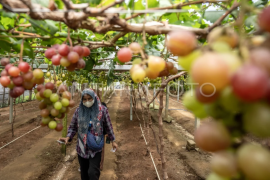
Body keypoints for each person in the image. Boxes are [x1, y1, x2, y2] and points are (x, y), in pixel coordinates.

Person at [59, 88, 117, 180]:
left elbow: (108, 126)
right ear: (82, 100)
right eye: (84, 99)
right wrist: (68, 137)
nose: (87, 101)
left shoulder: (102, 110)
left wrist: (113, 140)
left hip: (96, 148)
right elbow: (73, 127)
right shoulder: (79, 111)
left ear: (94, 98)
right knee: (84, 173)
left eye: (89, 98)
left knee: (93, 172)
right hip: (82, 148)